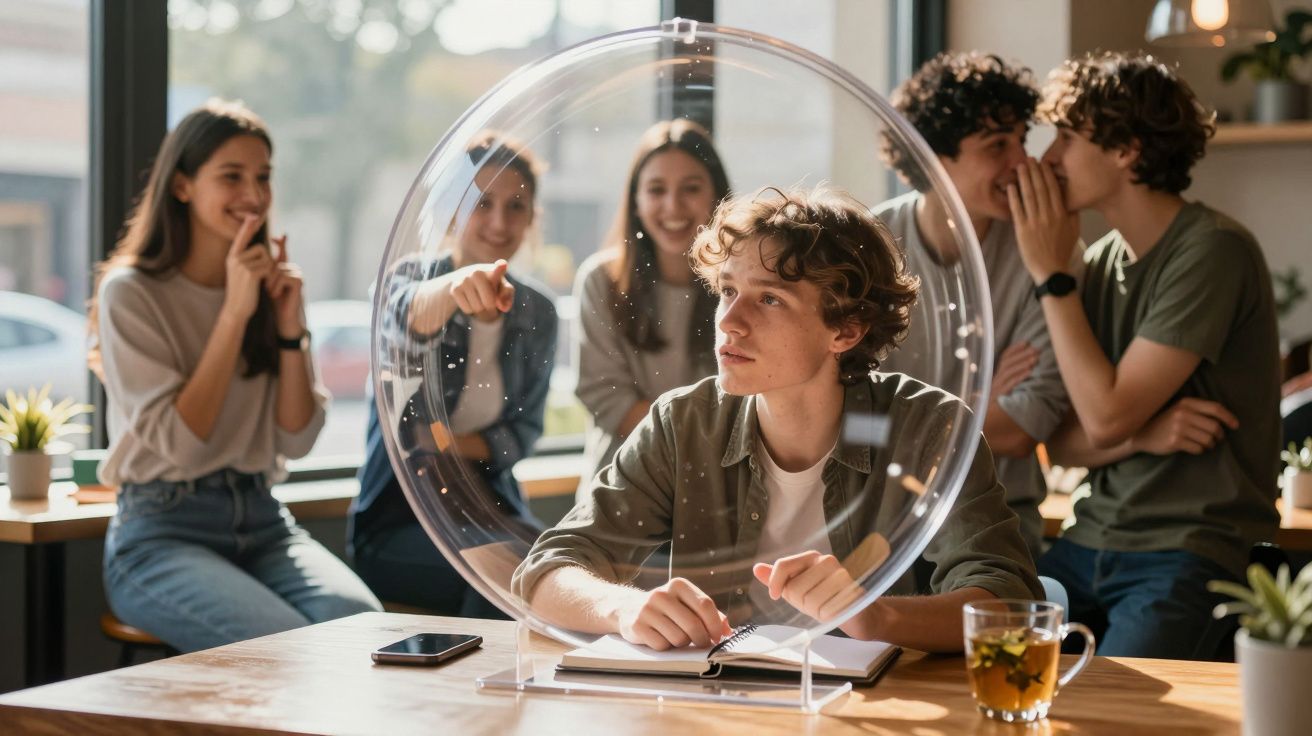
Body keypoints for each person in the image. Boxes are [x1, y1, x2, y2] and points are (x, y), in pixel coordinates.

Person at [515, 186, 1041, 653]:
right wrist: (622, 610)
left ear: (846, 331)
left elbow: (1010, 603)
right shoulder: (683, 424)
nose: (729, 321)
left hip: (882, 714)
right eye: (727, 291)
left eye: (769, 298)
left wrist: (876, 615)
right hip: (716, 711)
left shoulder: (929, 427)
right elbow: (544, 573)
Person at [1011, 51, 1280, 659]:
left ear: (1127, 150)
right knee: (992, 668)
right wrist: (1144, 436)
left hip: (1189, 548)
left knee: (1118, 713)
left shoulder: (1212, 252)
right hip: (1088, 541)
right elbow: (1065, 443)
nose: (1049, 159)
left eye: (1069, 138)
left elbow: (1100, 421)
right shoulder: (1102, 262)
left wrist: (1052, 276)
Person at [90, 100, 381, 653]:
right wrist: (233, 313)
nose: (253, 194)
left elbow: (296, 438)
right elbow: (181, 440)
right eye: (231, 176)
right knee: (288, 653)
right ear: (181, 186)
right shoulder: (129, 293)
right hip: (161, 532)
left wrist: (291, 328)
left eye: (263, 177)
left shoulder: (269, 289)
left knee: (364, 633)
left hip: (264, 520)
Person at [349, 132, 558, 616]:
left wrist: (441, 439)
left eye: (516, 206)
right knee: (504, 578)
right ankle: (487, 693)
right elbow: (404, 322)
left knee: (560, 572)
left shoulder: (538, 312)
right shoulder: (408, 278)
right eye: (482, 203)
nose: (500, 222)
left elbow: (521, 436)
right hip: (399, 525)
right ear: (450, 211)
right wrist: (453, 289)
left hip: (495, 513)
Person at [876, 52, 1071, 560]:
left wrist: (897, 417)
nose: (1022, 162)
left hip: (999, 526)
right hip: (875, 526)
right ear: (932, 161)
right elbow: (837, 422)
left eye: (1021, 141)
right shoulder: (864, 249)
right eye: (997, 146)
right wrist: (977, 394)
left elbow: (1021, 429)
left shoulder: (1049, 252)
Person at [573, 119, 729, 502]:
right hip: (622, 486)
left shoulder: (740, 283)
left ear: (716, 196)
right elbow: (607, 398)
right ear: (636, 201)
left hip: (720, 487)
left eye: (691, 188)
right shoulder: (601, 280)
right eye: (656, 190)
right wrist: (701, 437)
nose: (673, 206)